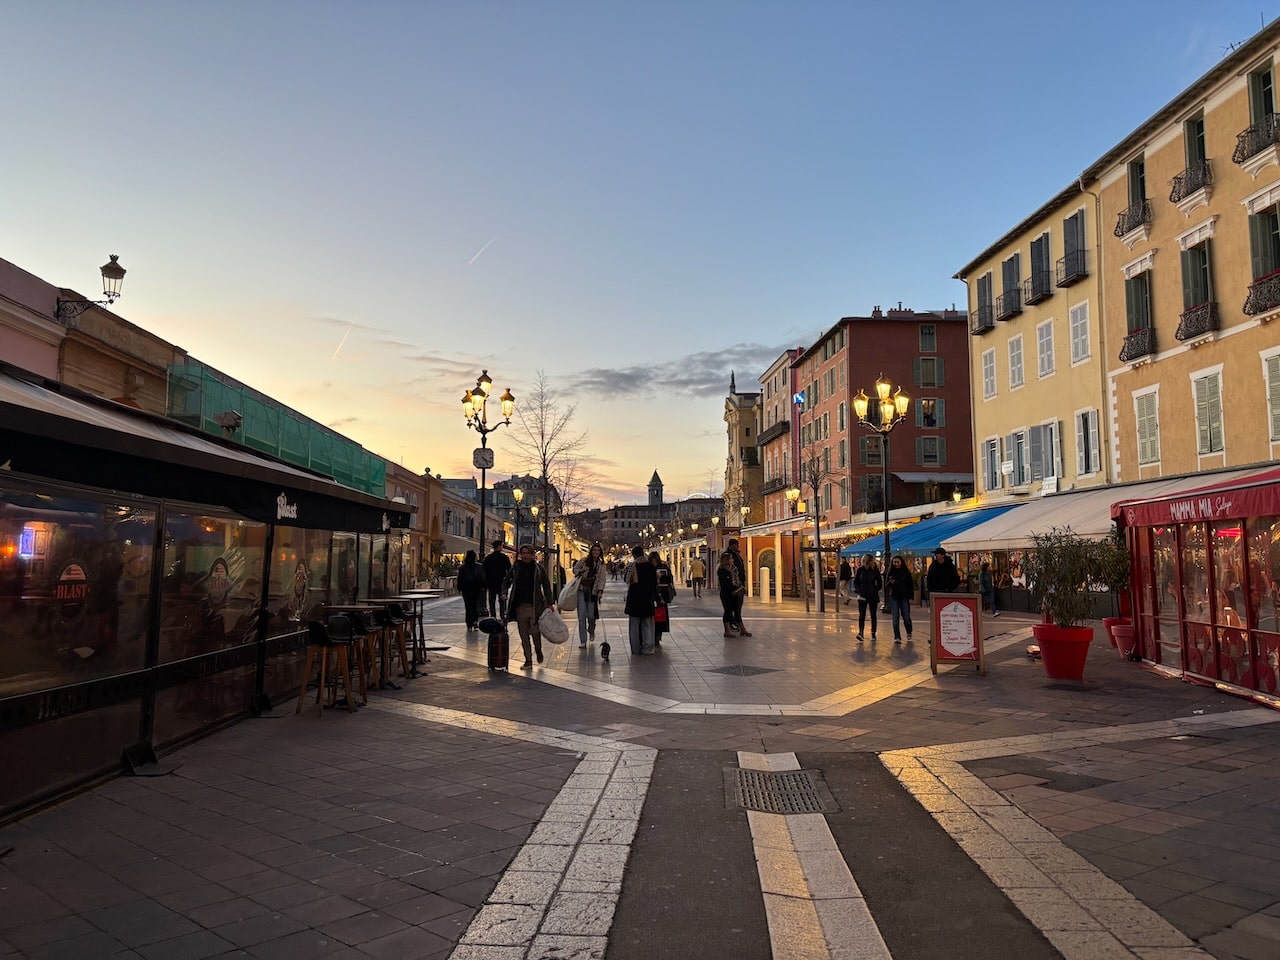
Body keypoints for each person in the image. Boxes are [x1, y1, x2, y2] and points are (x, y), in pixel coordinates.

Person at [506, 543, 553, 668]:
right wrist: (503, 592)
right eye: (523, 553)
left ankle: (538, 650)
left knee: (535, 632)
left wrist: (549, 602)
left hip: (534, 605)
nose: (525, 555)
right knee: (523, 635)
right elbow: (507, 581)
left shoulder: (538, 569)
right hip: (520, 606)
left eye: (528, 553)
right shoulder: (516, 567)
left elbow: (546, 585)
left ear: (532, 555)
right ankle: (528, 660)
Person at [625, 545, 659, 655]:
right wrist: (656, 598)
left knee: (634, 626)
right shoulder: (650, 567)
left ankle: (635, 648)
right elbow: (654, 584)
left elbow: (627, 580)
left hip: (634, 599)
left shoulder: (632, 566)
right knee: (647, 625)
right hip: (647, 599)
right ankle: (648, 648)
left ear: (634, 555)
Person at [572, 542, 606, 647]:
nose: (596, 552)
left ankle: (591, 629)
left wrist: (600, 591)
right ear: (591, 552)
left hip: (593, 592)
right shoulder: (584, 561)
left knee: (591, 616)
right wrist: (581, 571)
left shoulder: (601, 565)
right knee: (581, 616)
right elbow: (575, 569)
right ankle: (583, 640)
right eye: (594, 550)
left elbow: (602, 579)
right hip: (582, 589)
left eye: (598, 551)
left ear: (600, 553)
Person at [852, 553, 882, 642]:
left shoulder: (875, 570)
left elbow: (879, 583)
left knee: (873, 614)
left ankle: (873, 632)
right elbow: (856, 582)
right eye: (870, 561)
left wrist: (874, 589)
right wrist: (859, 589)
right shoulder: (860, 570)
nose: (871, 563)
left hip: (872, 595)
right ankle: (861, 633)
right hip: (862, 595)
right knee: (862, 614)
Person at [885, 555, 914, 643]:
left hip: (904, 596)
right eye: (895, 562)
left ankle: (909, 631)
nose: (896, 564)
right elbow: (886, 585)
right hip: (894, 596)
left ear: (901, 562)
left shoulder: (906, 572)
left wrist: (911, 597)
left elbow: (910, 585)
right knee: (895, 617)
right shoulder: (890, 573)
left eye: (898, 562)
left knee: (906, 616)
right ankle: (897, 636)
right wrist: (890, 582)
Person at [718, 552, 747, 637]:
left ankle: (743, 629)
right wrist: (732, 591)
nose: (732, 560)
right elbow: (724, 583)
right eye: (731, 559)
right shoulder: (722, 570)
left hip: (737, 591)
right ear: (726, 560)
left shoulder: (734, 568)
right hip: (727, 593)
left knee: (737, 611)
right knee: (728, 611)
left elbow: (738, 579)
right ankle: (727, 631)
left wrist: (740, 588)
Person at [726, 538, 751, 636]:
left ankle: (737, 624)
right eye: (737, 544)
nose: (738, 546)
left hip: (739, 585)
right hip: (734, 586)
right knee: (734, 607)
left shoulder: (737, 555)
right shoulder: (730, 555)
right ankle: (735, 625)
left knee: (738, 607)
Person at [456, 549, 485, 630]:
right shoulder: (479, 567)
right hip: (476, 588)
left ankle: (469, 623)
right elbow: (482, 578)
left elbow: (460, 579)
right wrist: (483, 586)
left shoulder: (462, 568)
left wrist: (459, 588)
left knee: (468, 606)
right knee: (475, 605)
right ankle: (475, 621)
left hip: (466, 589)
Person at [482, 540, 512, 619]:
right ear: (499, 546)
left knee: (492, 600)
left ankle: (493, 616)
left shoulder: (488, 558)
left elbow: (484, 570)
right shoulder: (504, 557)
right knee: (502, 600)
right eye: (502, 545)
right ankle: (502, 616)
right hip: (502, 582)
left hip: (491, 582)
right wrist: (509, 581)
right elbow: (509, 569)